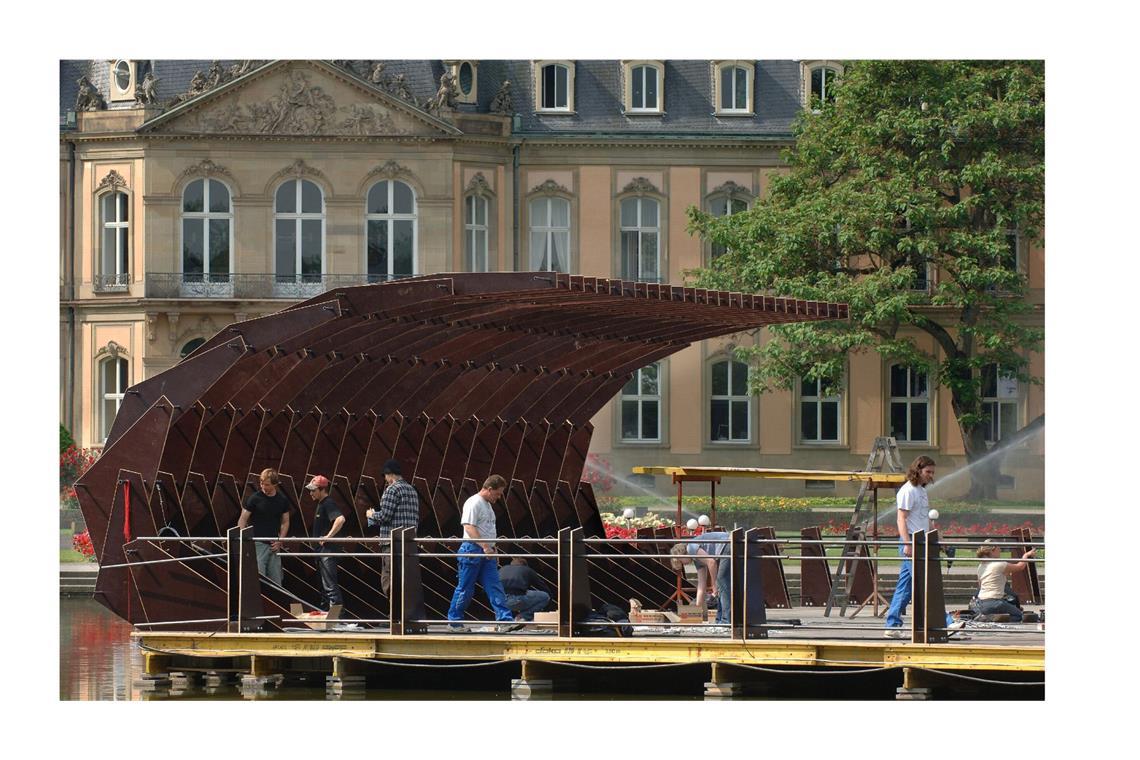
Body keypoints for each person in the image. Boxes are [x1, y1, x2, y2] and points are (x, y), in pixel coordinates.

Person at [883, 455, 958, 637]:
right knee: (926, 583)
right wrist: (907, 543)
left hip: (922, 542)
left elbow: (926, 521)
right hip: (912, 543)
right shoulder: (908, 491)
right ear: (918, 470)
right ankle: (947, 621)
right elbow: (901, 518)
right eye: (927, 472)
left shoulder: (921, 491)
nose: (930, 475)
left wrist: (938, 539)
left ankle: (892, 625)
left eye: (932, 472)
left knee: (906, 586)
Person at [446, 474, 516, 631]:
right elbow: (468, 527)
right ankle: (454, 621)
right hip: (473, 549)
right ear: (490, 489)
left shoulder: (487, 505)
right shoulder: (474, 502)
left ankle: (504, 620)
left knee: (494, 585)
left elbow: (487, 529)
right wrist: (486, 546)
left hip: (485, 550)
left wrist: (492, 548)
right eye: (498, 494)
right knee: (465, 587)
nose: (498, 498)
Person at [365, 459, 420, 597]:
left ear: (390, 474)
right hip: (408, 542)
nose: (385, 480)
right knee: (405, 578)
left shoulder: (392, 489)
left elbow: (385, 516)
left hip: (392, 542)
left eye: (385, 476)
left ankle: (394, 613)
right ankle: (404, 613)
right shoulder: (412, 490)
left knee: (389, 578)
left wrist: (371, 514)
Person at [236, 468, 290, 586]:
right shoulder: (255, 498)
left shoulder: (282, 500)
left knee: (276, 581)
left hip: (274, 545)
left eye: (267, 484)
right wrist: (242, 538)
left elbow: (285, 522)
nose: (263, 487)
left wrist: (280, 540)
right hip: (257, 545)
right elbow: (243, 518)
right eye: (261, 483)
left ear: (275, 484)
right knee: (258, 580)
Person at [670, 531, 731, 625]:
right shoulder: (697, 560)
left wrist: (714, 585)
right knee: (721, 586)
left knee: (721, 583)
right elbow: (701, 585)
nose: (684, 564)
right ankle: (720, 620)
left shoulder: (690, 548)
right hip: (725, 545)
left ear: (681, 553)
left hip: (727, 543)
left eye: (681, 562)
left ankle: (726, 621)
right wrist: (697, 609)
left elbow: (711, 562)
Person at [305, 475, 345, 610]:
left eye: (313, 490)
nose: (310, 493)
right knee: (324, 587)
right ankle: (327, 615)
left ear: (322, 490)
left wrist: (328, 536)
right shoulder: (322, 504)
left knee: (329, 585)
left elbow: (340, 519)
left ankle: (337, 618)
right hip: (322, 551)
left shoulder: (328, 503)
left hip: (327, 551)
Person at [971, 540, 1036, 622]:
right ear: (993, 550)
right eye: (999, 548)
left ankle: (988, 617)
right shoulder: (1000, 564)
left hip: (981, 603)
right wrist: (1026, 555)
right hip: (995, 602)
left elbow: (981, 586)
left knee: (1007, 606)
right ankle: (991, 619)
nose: (1000, 550)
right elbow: (1020, 566)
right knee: (1018, 615)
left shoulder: (981, 566)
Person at [499, 558, 550, 623]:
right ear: (525, 565)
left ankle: (503, 621)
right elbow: (542, 586)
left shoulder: (502, 569)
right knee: (545, 596)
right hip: (516, 599)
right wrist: (550, 601)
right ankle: (523, 616)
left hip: (499, 601)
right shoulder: (527, 570)